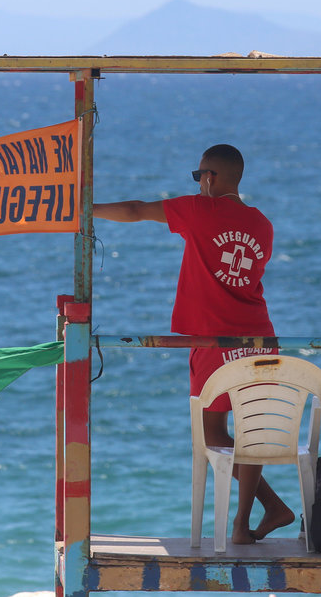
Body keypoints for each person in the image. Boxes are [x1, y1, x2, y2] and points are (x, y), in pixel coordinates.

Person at [92, 143, 290, 545]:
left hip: (214, 341)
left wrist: (85, 209)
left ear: (210, 177)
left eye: (198, 175)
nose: (198, 182)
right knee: (249, 432)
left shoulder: (201, 211)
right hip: (259, 337)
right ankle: (247, 520)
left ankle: (266, 510)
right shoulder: (263, 224)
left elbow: (135, 210)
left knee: (211, 432)